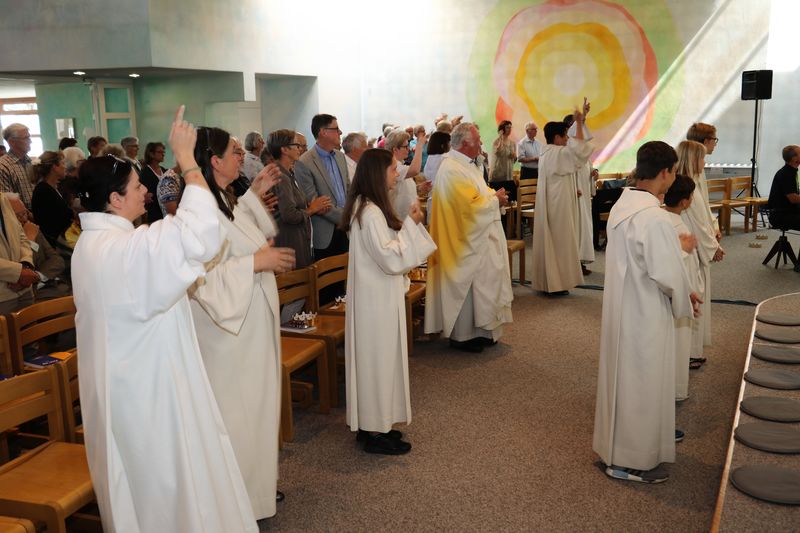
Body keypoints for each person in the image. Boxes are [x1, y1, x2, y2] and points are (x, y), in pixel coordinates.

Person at [72, 107, 258, 532]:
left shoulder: (93, 244)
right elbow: (200, 235)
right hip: (148, 390)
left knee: (140, 486)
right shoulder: (122, 251)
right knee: (168, 485)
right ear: (114, 200)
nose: (146, 192)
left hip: (126, 384)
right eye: (137, 187)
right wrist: (187, 160)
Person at [188, 125, 295, 520]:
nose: (241, 156)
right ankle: (236, 500)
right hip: (227, 334)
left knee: (256, 411)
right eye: (234, 151)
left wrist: (253, 195)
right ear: (214, 161)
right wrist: (256, 262)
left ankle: (254, 489)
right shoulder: (197, 210)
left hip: (249, 325)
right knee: (238, 414)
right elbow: (202, 278)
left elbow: (237, 231)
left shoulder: (221, 198)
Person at [593, 141, 701, 484]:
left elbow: (651, 262)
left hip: (625, 305)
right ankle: (629, 461)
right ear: (665, 172)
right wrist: (686, 294)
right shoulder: (653, 217)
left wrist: (681, 284)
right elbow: (665, 273)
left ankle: (634, 443)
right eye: (674, 172)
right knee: (642, 378)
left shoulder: (624, 204)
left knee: (629, 379)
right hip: (645, 309)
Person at [341, 148, 436, 455]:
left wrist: (408, 227)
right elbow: (390, 258)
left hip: (376, 297)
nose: (398, 173)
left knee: (377, 362)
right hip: (376, 302)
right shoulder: (369, 212)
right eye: (393, 169)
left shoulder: (366, 207)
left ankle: (374, 423)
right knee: (377, 363)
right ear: (377, 174)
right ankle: (374, 431)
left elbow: (384, 250)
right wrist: (411, 224)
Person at [424, 122, 513, 353]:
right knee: (469, 287)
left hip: (478, 237)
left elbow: (478, 193)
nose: (481, 142)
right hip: (463, 241)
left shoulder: (466, 164)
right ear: (465, 144)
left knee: (482, 285)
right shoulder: (451, 168)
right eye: (478, 139)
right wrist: (495, 201)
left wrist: (494, 195)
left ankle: (483, 332)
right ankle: (464, 336)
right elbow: (467, 208)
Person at [532, 102, 593, 295]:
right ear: (557, 137)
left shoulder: (548, 152)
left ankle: (553, 282)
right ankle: (556, 284)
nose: (568, 139)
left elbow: (575, 150)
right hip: (558, 207)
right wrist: (580, 122)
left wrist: (581, 120)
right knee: (560, 243)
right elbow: (580, 150)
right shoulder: (557, 153)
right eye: (565, 136)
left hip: (555, 203)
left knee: (555, 243)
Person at [676, 140, 723, 364]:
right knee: (694, 294)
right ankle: (690, 352)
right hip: (691, 249)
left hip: (695, 246)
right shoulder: (687, 187)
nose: (705, 162)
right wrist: (713, 248)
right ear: (693, 159)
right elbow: (698, 225)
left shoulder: (691, 182)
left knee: (697, 294)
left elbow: (704, 219)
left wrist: (714, 231)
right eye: (702, 158)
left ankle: (692, 350)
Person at [663, 175, 703, 399]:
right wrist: (692, 291)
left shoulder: (661, 219)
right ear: (685, 202)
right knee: (678, 342)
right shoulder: (679, 226)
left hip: (667, 295)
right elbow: (686, 266)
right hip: (681, 293)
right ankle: (676, 389)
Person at [270, 128, 331, 268]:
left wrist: (313, 206)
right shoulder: (280, 176)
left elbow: (294, 205)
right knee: (297, 280)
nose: (300, 149)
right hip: (289, 240)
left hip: (297, 238)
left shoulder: (288, 173)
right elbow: (289, 215)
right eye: (296, 145)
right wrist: (311, 209)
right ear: (284, 149)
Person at [294, 113, 350, 259]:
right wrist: (345, 218)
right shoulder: (304, 162)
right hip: (325, 233)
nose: (340, 132)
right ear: (323, 132)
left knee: (347, 271)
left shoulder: (340, 156)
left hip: (347, 229)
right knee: (328, 273)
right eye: (336, 129)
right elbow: (315, 202)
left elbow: (349, 189)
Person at [9, 194, 69, 300]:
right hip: (29, 293)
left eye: (25, 213)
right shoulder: (6, 240)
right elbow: (21, 273)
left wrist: (37, 276)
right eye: (18, 216)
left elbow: (57, 260)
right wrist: (29, 241)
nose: (24, 219)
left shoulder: (33, 229)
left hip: (50, 283)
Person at [0, 191, 36, 314]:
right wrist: (18, 273)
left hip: (24, 288)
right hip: (3, 295)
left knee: (31, 326)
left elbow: (21, 237)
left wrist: (25, 264)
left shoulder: (3, 198)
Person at [384, 129, 431, 221]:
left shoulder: (400, 164)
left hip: (408, 216)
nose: (408, 149)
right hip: (401, 218)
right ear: (395, 149)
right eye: (405, 147)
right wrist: (419, 146)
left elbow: (401, 189)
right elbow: (415, 170)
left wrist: (418, 188)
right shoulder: (392, 166)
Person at [31, 151, 75, 248]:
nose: (65, 167)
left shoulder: (52, 187)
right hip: (54, 244)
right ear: (54, 167)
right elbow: (52, 222)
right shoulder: (43, 190)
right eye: (63, 163)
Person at [686, 122, 721, 236]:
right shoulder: (692, 168)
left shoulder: (696, 163)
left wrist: (713, 225)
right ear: (706, 141)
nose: (715, 144)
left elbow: (704, 201)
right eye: (715, 140)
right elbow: (696, 206)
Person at [0, 123, 34, 209]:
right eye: (26, 138)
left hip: (37, 212)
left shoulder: (29, 161)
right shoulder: (3, 166)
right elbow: (7, 202)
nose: (30, 141)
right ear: (12, 142)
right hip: (20, 215)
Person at [767, 145, 800, 231]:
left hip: (790, 211)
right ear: (794, 158)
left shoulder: (792, 171)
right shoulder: (786, 174)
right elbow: (793, 199)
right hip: (781, 215)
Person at [422, 131, 451, 223]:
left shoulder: (430, 158)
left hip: (433, 198)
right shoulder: (446, 159)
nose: (450, 145)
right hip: (444, 200)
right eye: (449, 143)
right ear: (443, 145)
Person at [139, 142, 167, 223]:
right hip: (153, 214)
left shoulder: (164, 170)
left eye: (163, 152)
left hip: (165, 213)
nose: (163, 154)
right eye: (159, 152)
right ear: (151, 154)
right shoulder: (145, 173)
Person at [490, 120, 517, 200]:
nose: (510, 129)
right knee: (498, 200)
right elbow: (498, 152)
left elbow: (513, 161)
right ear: (502, 129)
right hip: (497, 177)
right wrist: (501, 137)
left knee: (513, 197)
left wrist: (515, 157)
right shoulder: (497, 141)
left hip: (509, 176)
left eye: (510, 127)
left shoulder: (512, 143)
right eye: (507, 127)